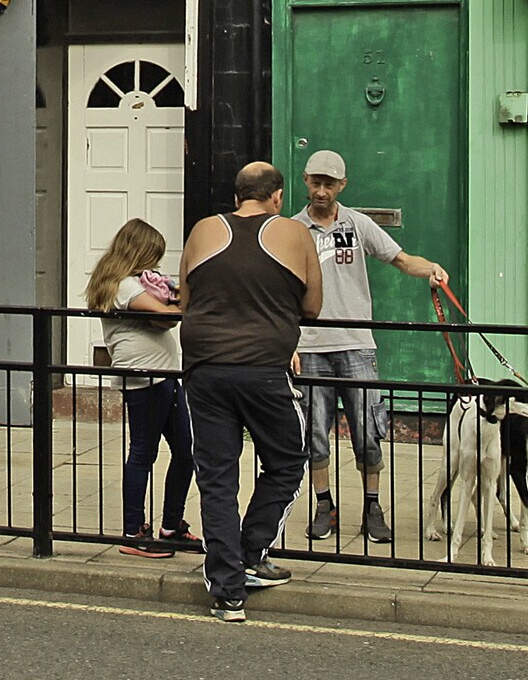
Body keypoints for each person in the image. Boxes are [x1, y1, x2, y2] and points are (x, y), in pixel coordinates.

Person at [176, 161, 322, 622]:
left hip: (205, 368)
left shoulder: (203, 229)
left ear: (237, 195)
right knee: (288, 460)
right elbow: (313, 306)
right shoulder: (293, 233)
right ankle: (250, 553)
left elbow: (185, 300)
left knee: (217, 477)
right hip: (263, 367)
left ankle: (227, 592)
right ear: (276, 197)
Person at [292, 149, 449, 546]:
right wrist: (287, 342)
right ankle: (324, 505)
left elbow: (400, 259)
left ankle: (372, 506)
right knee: (315, 433)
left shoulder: (357, 224)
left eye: (330, 183)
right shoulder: (292, 229)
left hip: (356, 344)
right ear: (306, 181)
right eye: (316, 182)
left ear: (342, 185)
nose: (322, 190)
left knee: (367, 432)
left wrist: (430, 269)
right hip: (310, 346)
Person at [84, 218, 199, 558]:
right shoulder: (123, 286)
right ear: (138, 252)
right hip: (145, 377)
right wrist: (184, 300)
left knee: (186, 450)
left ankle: (171, 525)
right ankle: (133, 531)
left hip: (163, 374)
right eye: (153, 257)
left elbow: (161, 315)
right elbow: (165, 314)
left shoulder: (134, 283)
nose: (155, 265)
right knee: (143, 454)